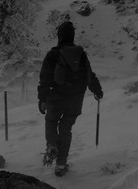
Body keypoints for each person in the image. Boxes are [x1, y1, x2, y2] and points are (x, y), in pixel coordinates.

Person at [37, 20, 103, 176]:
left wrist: (42, 99)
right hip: (76, 99)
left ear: (60, 36)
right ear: (72, 36)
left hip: (56, 97)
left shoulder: (53, 54)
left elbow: (45, 78)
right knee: (66, 128)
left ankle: (52, 145)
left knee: (51, 121)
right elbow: (89, 75)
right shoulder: (81, 54)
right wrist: (97, 90)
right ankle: (61, 165)